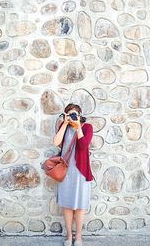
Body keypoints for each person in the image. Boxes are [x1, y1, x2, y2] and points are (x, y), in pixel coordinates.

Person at [53, 103, 94, 246]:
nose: (72, 117)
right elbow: (56, 142)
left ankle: (79, 237)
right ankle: (69, 236)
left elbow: (83, 145)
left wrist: (77, 127)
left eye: (75, 114)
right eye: (69, 114)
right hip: (65, 172)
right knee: (67, 205)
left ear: (80, 115)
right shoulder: (63, 127)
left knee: (80, 205)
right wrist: (64, 124)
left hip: (80, 172)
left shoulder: (87, 127)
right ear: (66, 115)